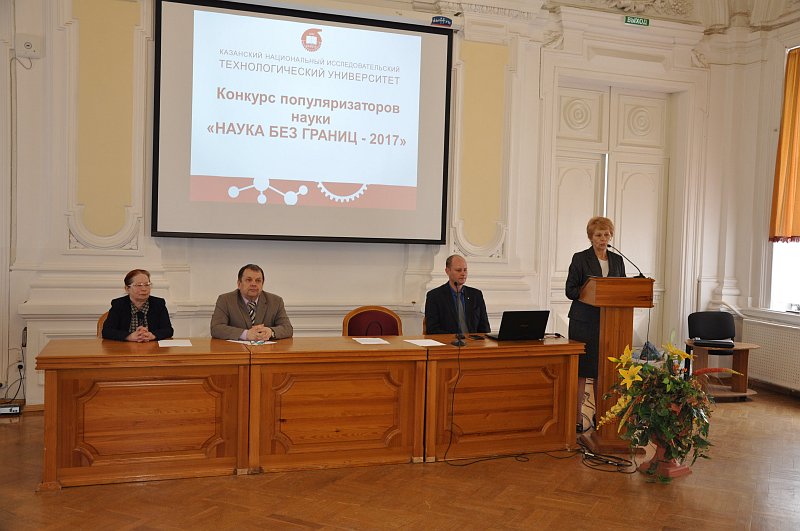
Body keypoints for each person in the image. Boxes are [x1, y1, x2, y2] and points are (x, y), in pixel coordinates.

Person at [565, 216, 626, 434]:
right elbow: (570, 290)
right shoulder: (580, 258)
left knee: (605, 371)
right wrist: (590, 290)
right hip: (584, 322)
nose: (603, 239)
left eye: (606, 234)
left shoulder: (617, 260)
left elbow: (623, 289)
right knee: (582, 371)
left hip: (610, 323)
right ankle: (576, 419)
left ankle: (603, 418)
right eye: (598, 235)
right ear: (591, 237)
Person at [210, 264, 293, 340]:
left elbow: (288, 328)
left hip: (266, 349)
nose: (254, 284)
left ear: (262, 284)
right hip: (235, 350)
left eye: (258, 280)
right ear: (239, 284)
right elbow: (216, 328)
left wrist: (270, 332)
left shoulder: (276, 301)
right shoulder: (225, 300)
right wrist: (246, 334)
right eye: (249, 280)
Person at [425, 254, 490, 335]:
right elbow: (432, 330)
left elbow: (485, 328)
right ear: (447, 271)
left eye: (465, 270)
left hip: (473, 342)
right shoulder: (434, 296)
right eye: (459, 270)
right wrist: (455, 338)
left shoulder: (476, 295)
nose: (463, 274)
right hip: (448, 342)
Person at [102, 269, 174, 342]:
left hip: (152, 347)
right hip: (125, 348)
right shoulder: (118, 304)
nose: (144, 289)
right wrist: (129, 336)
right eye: (139, 285)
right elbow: (107, 331)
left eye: (147, 285)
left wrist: (152, 335)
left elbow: (168, 330)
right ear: (127, 289)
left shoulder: (158, 304)